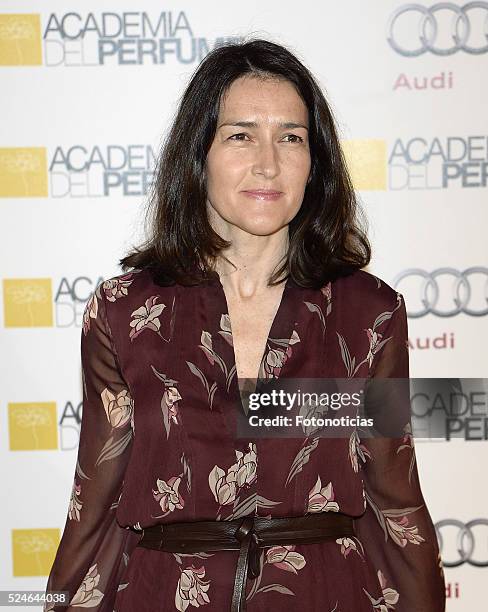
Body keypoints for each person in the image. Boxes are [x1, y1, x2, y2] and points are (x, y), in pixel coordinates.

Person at [44, 38, 446, 612]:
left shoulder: (368, 315)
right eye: (240, 135)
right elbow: (95, 502)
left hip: (321, 596)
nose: (268, 163)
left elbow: (395, 499)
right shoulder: (125, 313)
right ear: (198, 153)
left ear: (316, 162)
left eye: (291, 137)